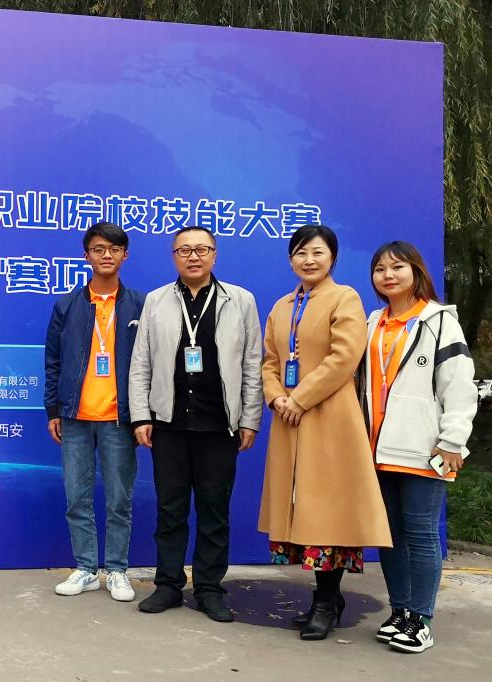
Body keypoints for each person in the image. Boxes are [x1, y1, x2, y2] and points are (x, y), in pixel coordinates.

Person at [258, 224, 391, 641]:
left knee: (328, 511)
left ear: (332, 257)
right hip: (289, 422)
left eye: (317, 252)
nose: (309, 260)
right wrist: (277, 397)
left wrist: (300, 399)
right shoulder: (282, 306)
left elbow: (344, 357)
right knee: (300, 509)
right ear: (290, 260)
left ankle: (326, 601)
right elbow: (269, 361)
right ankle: (327, 599)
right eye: (300, 253)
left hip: (330, 418)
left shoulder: (344, 297)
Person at [128, 226, 263, 622]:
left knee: (214, 511)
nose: (193, 256)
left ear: (214, 255)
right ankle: (168, 585)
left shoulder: (240, 300)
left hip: (220, 426)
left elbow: (252, 363)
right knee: (169, 510)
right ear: (174, 257)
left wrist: (250, 418)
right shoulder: (156, 300)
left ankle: (208, 589)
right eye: (184, 250)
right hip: (168, 424)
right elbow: (141, 362)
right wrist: (141, 415)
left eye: (202, 249)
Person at [361, 241, 477, 653]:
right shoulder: (373, 323)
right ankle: (400, 613)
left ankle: (421, 620)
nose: (388, 275)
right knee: (389, 536)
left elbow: (459, 387)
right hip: (377, 451)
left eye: (397, 267)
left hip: (423, 448)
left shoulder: (439, 322)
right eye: (380, 269)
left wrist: (452, 441)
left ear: (416, 271)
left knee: (422, 534)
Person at [44, 222, 145, 602]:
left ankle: (117, 570)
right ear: (86, 255)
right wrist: (54, 409)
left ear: (125, 255)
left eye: (114, 249)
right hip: (76, 418)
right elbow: (52, 361)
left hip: (120, 420)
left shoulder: (140, 305)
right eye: (99, 249)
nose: (106, 255)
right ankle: (86, 568)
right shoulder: (67, 305)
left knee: (119, 499)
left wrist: (143, 415)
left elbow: (150, 362)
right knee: (77, 498)